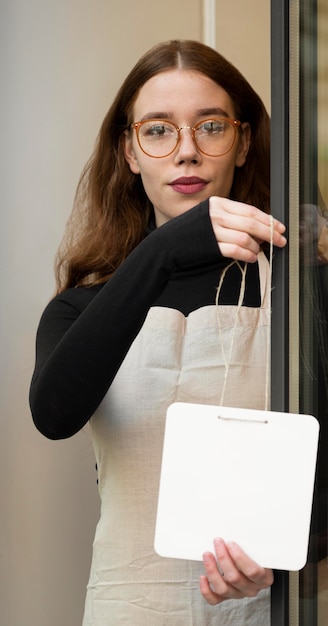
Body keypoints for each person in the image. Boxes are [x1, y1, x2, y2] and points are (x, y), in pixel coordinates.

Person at [29, 39, 288, 625]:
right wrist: (163, 251)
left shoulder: (310, 294)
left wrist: (292, 551)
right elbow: (53, 414)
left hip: (281, 606)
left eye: (211, 126)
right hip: (137, 607)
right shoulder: (81, 308)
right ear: (129, 151)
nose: (187, 153)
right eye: (159, 131)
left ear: (244, 143)